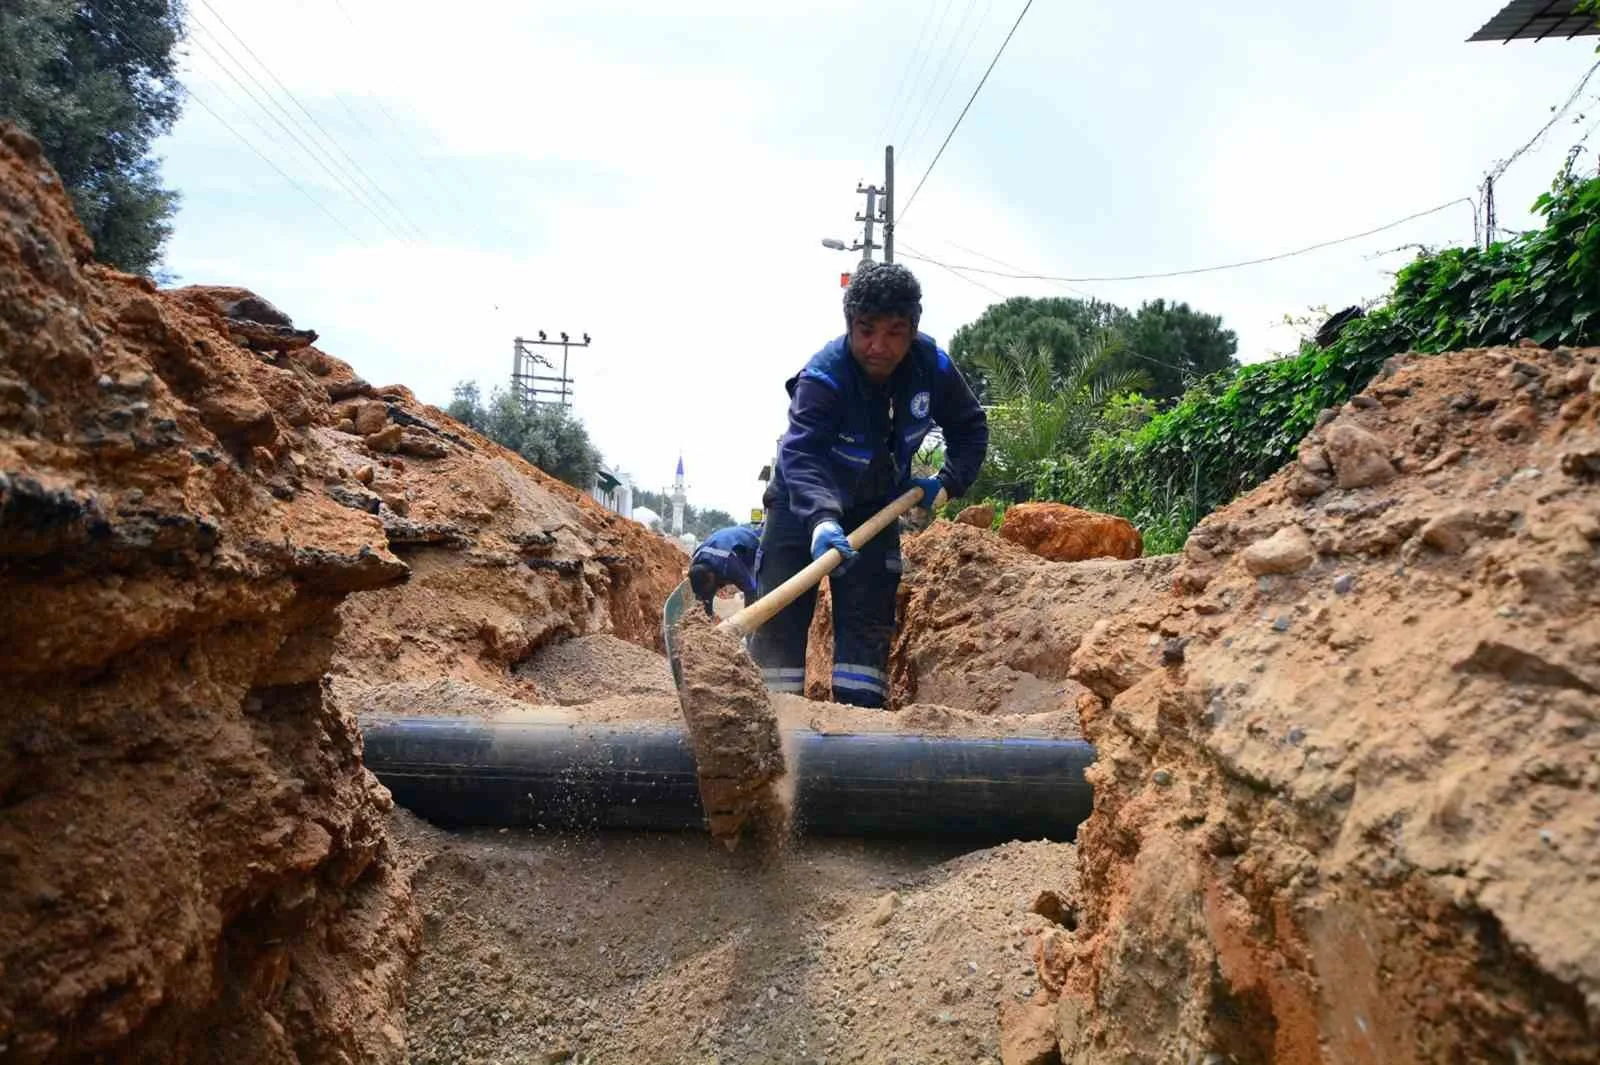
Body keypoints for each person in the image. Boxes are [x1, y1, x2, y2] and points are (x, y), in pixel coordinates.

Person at [750, 262, 987, 707]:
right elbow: (800, 455)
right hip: (799, 508)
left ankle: (856, 742)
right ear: (849, 327)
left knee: (867, 632)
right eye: (866, 331)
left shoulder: (932, 369)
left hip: (876, 510)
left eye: (895, 332)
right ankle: (775, 732)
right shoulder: (824, 377)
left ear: (913, 330)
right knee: (778, 630)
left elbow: (971, 429)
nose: (879, 346)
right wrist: (820, 520)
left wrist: (948, 482)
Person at [687, 522, 761, 616]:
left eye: (707, 587)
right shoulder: (695, 561)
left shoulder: (730, 564)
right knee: (706, 594)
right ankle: (709, 617)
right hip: (723, 544)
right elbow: (702, 596)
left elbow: (750, 590)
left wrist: (747, 619)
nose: (706, 591)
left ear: (711, 576)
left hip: (749, 545)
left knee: (755, 585)